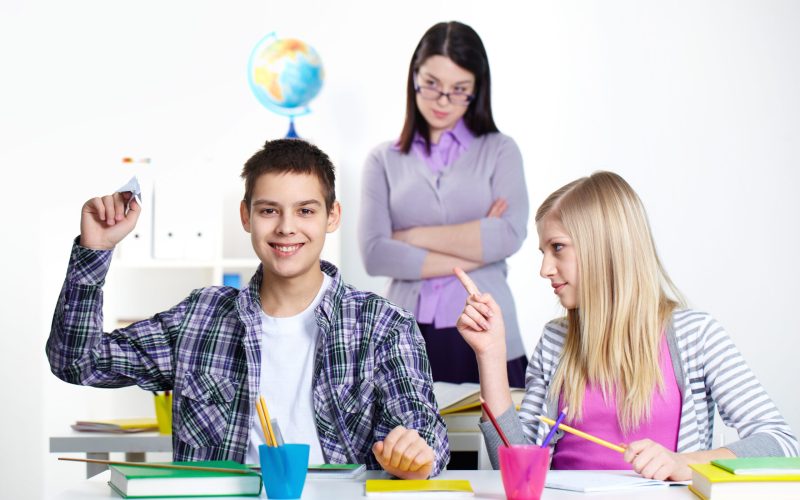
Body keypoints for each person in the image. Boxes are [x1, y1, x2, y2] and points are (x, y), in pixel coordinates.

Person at [46, 139, 450, 479]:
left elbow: (427, 435)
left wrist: (416, 452)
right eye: (269, 210)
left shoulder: (383, 325)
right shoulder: (200, 318)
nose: (286, 227)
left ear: (333, 216)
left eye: (306, 210)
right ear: (246, 216)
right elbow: (77, 361)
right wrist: (95, 250)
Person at [454, 171, 799, 481]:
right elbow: (516, 469)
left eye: (557, 248)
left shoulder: (695, 335)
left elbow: (781, 443)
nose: (545, 269)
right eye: (543, 252)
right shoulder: (556, 340)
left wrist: (686, 464)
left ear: (605, 249)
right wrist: (491, 355)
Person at [359, 21, 529, 387]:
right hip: (405, 329)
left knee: (494, 438)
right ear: (414, 77)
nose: (442, 101)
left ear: (476, 90)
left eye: (459, 90)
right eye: (432, 84)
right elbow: (374, 254)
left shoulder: (500, 151)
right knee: (405, 442)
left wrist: (409, 235)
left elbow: (510, 235)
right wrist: (479, 248)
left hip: (486, 322)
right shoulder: (382, 160)